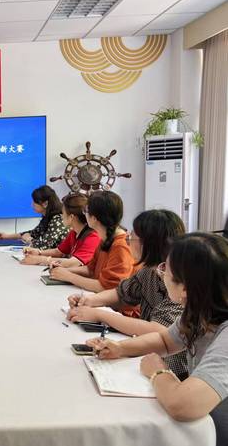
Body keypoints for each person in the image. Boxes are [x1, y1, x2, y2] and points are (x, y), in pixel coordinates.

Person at [87, 233, 228, 445]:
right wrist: (120, 348)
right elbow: (165, 340)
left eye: (165, 270)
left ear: (185, 288)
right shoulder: (200, 310)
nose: (160, 273)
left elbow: (184, 405)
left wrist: (158, 372)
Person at [66, 209, 187, 379]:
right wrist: (89, 301)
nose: (128, 240)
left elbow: (159, 332)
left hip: (170, 369)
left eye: (132, 237)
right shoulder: (148, 272)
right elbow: (121, 293)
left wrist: (99, 314)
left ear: (148, 244)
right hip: (149, 355)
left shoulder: (178, 283)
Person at [50, 190, 134, 292]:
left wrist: (69, 276)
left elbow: (106, 287)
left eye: (85, 210)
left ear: (94, 218)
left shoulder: (121, 246)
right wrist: (64, 271)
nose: (84, 214)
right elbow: (90, 270)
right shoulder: (105, 239)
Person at [20, 193, 100, 267]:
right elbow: (58, 252)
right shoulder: (74, 233)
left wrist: (40, 259)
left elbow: (74, 262)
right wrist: (39, 252)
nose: (62, 216)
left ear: (71, 217)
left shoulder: (93, 237)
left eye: (63, 213)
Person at [0, 185, 68, 249]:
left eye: (34, 202)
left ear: (45, 204)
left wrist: (29, 239)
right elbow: (34, 233)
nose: (32, 204)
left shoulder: (58, 219)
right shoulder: (47, 217)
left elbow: (43, 245)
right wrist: (7, 236)